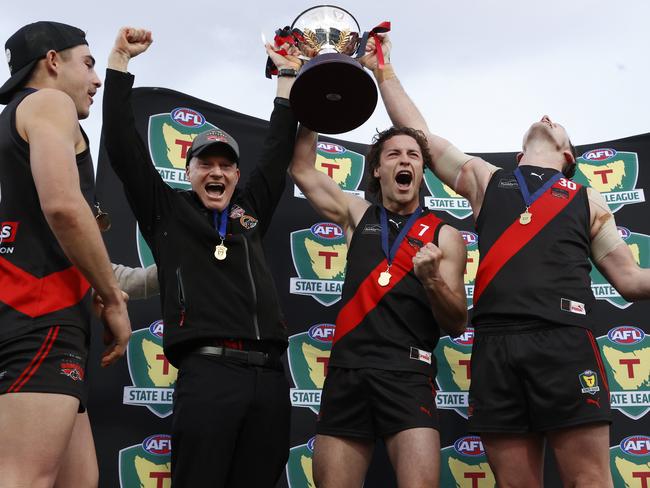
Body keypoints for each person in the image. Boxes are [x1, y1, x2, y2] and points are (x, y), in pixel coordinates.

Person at [361, 34, 650, 488]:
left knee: (589, 480)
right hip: (495, 346)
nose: (547, 117)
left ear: (568, 156)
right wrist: (385, 72)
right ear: (519, 155)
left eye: (558, 124)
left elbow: (631, 279)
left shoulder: (589, 199)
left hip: (563, 342)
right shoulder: (486, 180)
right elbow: (422, 137)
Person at [103, 27, 301, 486]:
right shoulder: (167, 212)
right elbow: (121, 144)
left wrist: (286, 78)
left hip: (270, 376)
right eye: (205, 164)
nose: (216, 171)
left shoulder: (249, 213)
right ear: (188, 171)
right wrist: (119, 63)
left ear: (235, 173)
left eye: (225, 164)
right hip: (209, 372)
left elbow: (276, 151)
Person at [290, 123, 468, 487]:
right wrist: (312, 107)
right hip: (348, 373)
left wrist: (432, 279)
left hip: (408, 376)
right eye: (394, 154)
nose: (405, 160)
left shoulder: (444, 235)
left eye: (413, 155)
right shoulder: (357, 215)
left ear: (421, 171)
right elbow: (302, 169)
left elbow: (457, 323)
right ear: (377, 169)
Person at [0, 21, 131, 488]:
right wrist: (112, 296)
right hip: (39, 315)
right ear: (52, 62)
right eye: (89, 64)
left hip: (39, 316)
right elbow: (63, 206)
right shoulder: (48, 102)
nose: (96, 80)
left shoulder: (13, 119)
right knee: (24, 478)